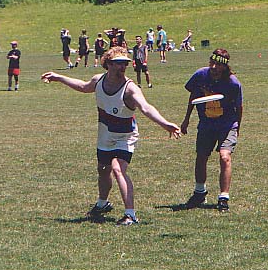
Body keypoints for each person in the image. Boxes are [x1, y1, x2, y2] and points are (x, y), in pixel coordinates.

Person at [41, 46, 181, 226]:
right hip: (105, 135)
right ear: (107, 64)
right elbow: (83, 87)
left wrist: (165, 124)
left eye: (125, 64)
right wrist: (59, 77)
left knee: (118, 169)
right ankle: (102, 203)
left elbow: (146, 108)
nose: (122, 67)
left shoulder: (130, 88)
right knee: (103, 169)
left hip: (125, 136)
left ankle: (130, 214)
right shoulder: (98, 80)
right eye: (118, 63)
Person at [181, 48, 243, 212]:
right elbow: (193, 97)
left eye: (218, 64)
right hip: (206, 124)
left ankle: (224, 197)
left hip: (227, 124)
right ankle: (199, 192)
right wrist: (186, 119)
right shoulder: (200, 75)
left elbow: (239, 106)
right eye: (212, 63)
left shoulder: (233, 83)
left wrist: (238, 128)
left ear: (225, 66)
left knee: (224, 157)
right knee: (201, 156)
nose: (214, 67)